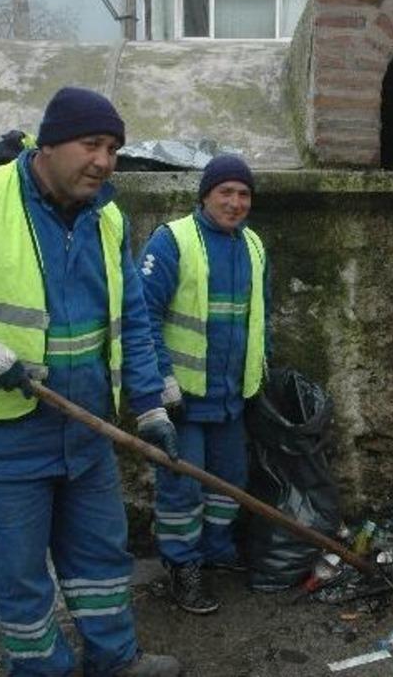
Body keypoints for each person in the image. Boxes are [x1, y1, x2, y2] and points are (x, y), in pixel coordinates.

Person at [0, 87, 181, 676]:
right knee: (19, 577)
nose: (103, 161)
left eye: (113, 148)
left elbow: (131, 318)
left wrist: (150, 404)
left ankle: (115, 660)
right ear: (49, 143)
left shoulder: (108, 218)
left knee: (101, 559)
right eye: (91, 144)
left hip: (86, 435)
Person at [138, 155, 271, 614]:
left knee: (229, 482)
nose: (235, 202)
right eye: (225, 192)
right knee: (182, 488)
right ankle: (182, 565)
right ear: (205, 196)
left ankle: (216, 551)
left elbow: (260, 319)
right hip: (183, 398)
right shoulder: (172, 241)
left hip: (230, 396)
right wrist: (161, 380)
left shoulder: (253, 245)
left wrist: (257, 378)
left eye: (244, 194)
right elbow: (142, 317)